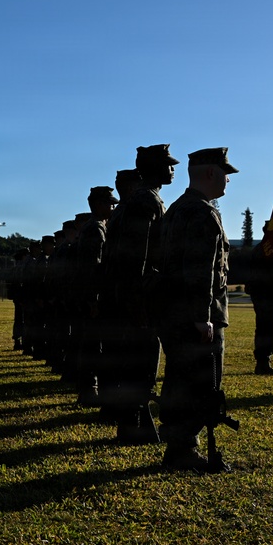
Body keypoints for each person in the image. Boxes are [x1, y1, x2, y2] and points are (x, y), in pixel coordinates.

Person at [156, 147, 238, 472]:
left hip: (173, 311)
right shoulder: (202, 212)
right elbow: (200, 269)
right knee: (200, 383)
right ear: (209, 174)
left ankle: (178, 447)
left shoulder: (176, 209)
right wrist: (202, 315)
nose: (228, 179)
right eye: (225, 173)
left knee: (179, 380)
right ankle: (183, 450)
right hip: (195, 315)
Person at [99, 144, 178, 444]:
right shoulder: (146, 201)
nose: (172, 170)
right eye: (167, 165)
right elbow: (137, 258)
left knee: (133, 363)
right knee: (140, 364)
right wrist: (139, 302)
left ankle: (134, 423)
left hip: (126, 297)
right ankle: (133, 427)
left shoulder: (136, 200)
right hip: (136, 299)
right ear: (154, 169)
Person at [75, 186, 118, 406]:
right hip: (93, 296)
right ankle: (89, 391)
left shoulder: (95, 227)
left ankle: (89, 390)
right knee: (93, 346)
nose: (112, 207)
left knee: (91, 344)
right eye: (110, 203)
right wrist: (93, 299)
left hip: (91, 294)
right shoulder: (95, 229)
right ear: (98, 205)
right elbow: (92, 267)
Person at [246, 221, 273, 375]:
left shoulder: (258, 248)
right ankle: (264, 362)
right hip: (270, 295)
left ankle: (262, 362)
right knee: (270, 330)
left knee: (262, 328)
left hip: (259, 294)